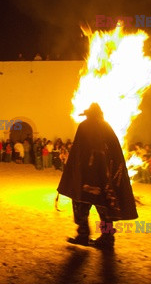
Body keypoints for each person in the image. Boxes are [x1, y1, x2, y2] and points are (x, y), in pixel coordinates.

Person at [57, 103, 138, 250]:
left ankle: (83, 235)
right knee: (105, 209)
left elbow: (77, 152)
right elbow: (114, 153)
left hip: (86, 179)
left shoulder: (84, 126)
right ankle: (107, 238)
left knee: (81, 206)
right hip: (103, 179)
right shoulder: (106, 127)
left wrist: (72, 175)